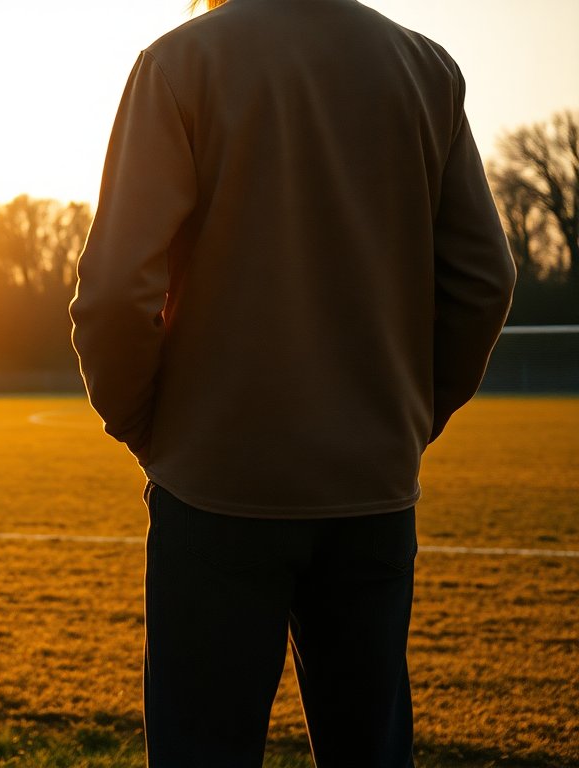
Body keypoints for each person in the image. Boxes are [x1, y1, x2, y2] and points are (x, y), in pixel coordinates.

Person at [68, 0, 516, 765]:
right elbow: (484, 281)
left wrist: (144, 424)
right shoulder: (425, 69)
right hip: (373, 491)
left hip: (215, 491)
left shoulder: (182, 63)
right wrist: (405, 419)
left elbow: (115, 294)